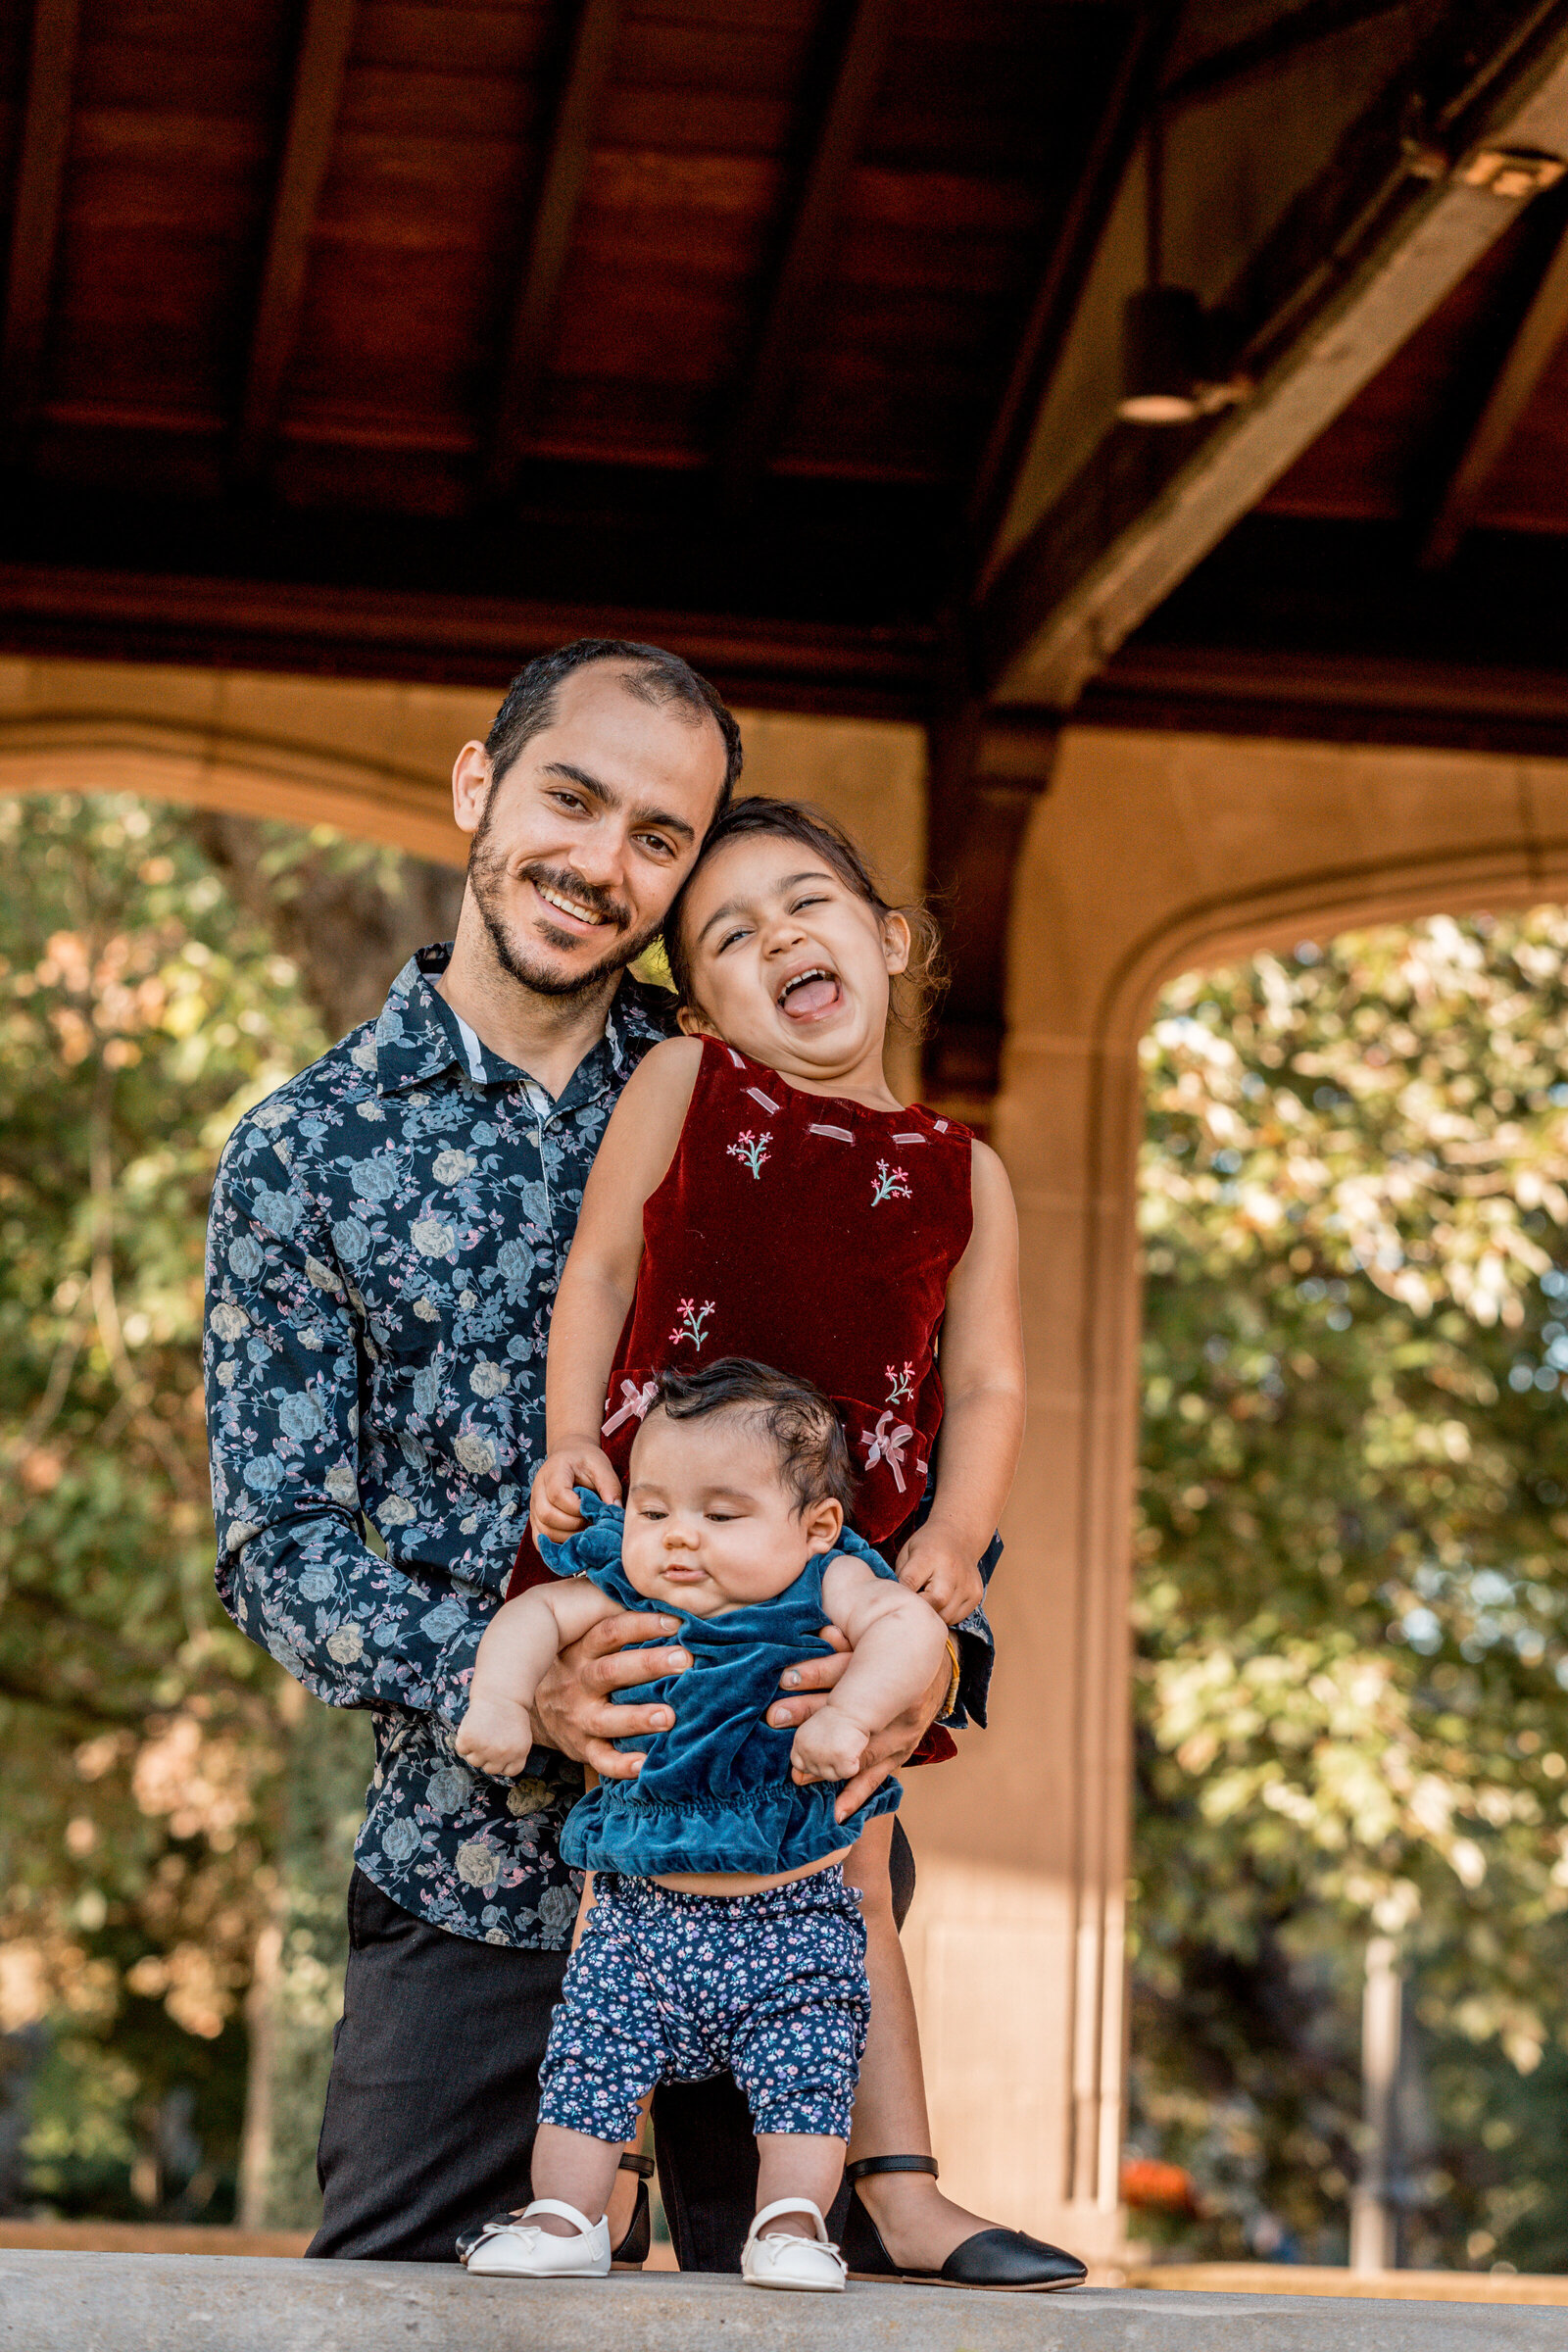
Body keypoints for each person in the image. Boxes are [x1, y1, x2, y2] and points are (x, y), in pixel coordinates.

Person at [204, 641, 958, 2267]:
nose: (604, 865)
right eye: (572, 798)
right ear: (479, 787)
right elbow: (274, 1545)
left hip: (774, 1863)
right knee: (399, 2327)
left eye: (659, 838)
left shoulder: (756, 1102)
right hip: (464, 1885)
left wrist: (934, 1655)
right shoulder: (302, 1153)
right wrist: (506, 1668)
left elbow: (898, 1432)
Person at [514, 794, 1085, 2289]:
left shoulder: (965, 1169)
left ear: (892, 942)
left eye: (809, 904)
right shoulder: (690, 1084)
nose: (778, 939)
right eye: (730, 936)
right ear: (702, 999)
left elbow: (991, 1381)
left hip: (839, 1574)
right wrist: (574, 1436)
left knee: (853, 1861)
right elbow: (602, 1265)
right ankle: (598, 2181)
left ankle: (898, 2190)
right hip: (665, 1547)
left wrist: (957, 1535)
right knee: (627, 1848)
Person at [457, 1360, 950, 2290]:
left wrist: (848, 1716)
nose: (680, 1538)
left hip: (794, 1917)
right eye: (653, 1511)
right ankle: (566, 2215)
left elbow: (910, 1630)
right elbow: (532, 1613)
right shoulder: (630, 1593)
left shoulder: (829, 1584)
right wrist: (499, 1700)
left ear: (815, 1528)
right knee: (589, 2064)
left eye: (721, 1517)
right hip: (642, 1920)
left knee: (808, 2076)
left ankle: (792, 2222)